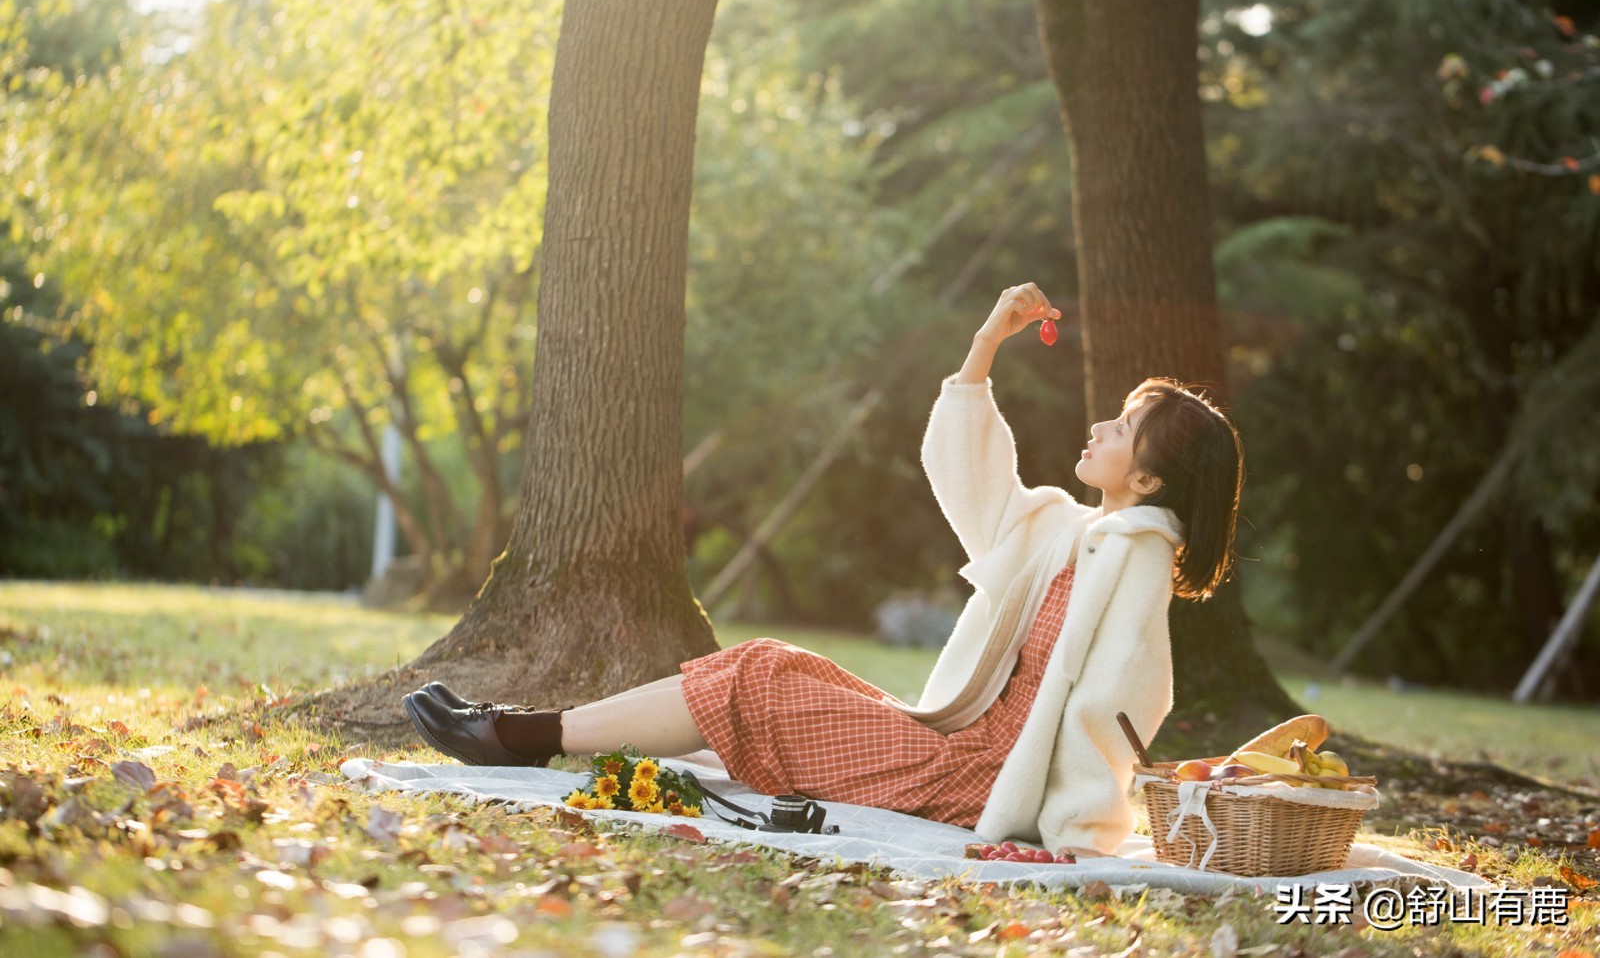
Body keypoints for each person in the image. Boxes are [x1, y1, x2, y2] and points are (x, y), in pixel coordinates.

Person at [403, 282, 1245, 859]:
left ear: (1150, 482)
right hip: (951, 742)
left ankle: (515, 736)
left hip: (974, 777)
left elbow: (1125, 703)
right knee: (769, 662)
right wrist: (988, 342)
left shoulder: (1133, 559)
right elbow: (975, 484)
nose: (1102, 423)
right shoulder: (1066, 531)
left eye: (1128, 425)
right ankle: (522, 729)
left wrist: (1068, 826)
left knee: (761, 684)